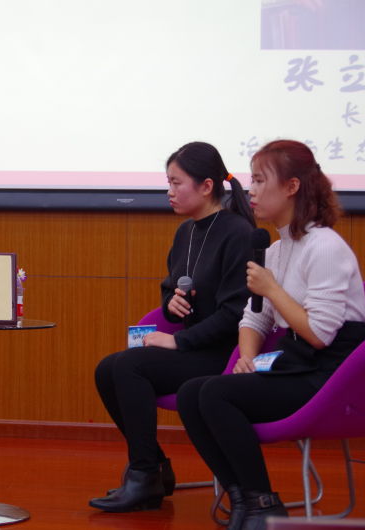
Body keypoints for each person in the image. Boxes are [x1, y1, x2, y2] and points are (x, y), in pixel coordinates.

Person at [177, 140, 365, 530]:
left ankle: (264, 502)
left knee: (215, 394)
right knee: (191, 393)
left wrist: (272, 289)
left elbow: (319, 334)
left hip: (330, 375)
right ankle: (244, 498)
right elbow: (255, 317)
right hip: (294, 363)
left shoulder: (325, 247)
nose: (251, 190)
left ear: (292, 187)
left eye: (261, 180)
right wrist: (247, 357)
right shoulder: (278, 250)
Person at [90, 142, 256, 512]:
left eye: (176, 182)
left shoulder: (238, 233)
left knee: (130, 366)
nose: (169, 191)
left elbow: (236, 313)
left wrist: (179, 342)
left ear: (206, 186)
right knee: (107, 369)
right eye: (168, 182)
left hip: (225, 353)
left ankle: (144, 474)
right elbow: (171, 287)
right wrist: (172, 303)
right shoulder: (186, 232)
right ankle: (154, 466)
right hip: (194, 345)